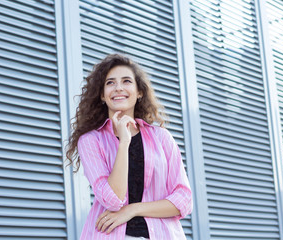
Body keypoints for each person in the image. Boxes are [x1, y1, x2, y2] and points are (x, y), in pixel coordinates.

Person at [66, 53, 192, 239]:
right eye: (110, 83)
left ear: (139, 92)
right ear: (102, 95)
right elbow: (113, 200)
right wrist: (124, 142)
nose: (118, 88)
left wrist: (133, 210)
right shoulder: (91, 141)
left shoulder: (162, 138)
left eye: (126, 81)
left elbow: (184, 200)